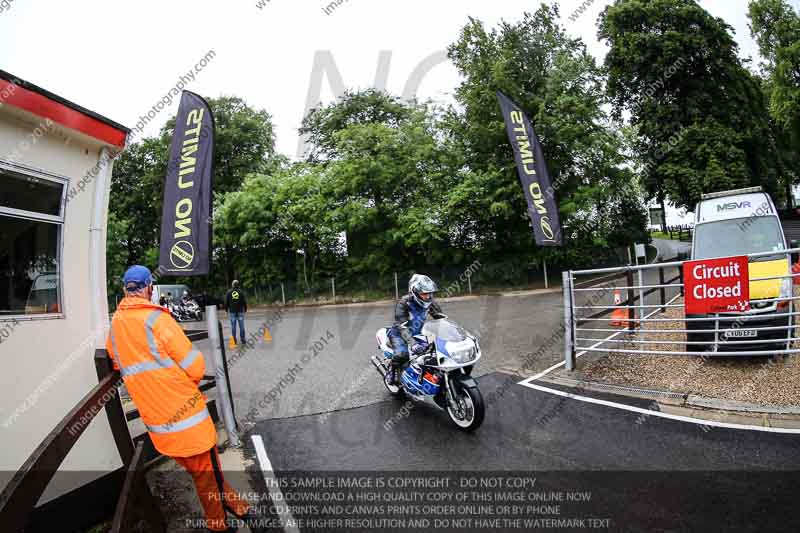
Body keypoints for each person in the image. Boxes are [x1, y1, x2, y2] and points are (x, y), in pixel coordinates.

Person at [106, 266, 252, 532]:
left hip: (158, 426)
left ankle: (239, 508)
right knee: (207, 475)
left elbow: (119, 363)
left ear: (125, 290)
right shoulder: (156, 319)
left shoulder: (115, 325)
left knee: (205, 473)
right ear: (149, 288)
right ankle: (219, 526)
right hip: (187, 420)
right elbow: (195, 366)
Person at [387, 274, 446, 384]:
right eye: (424, 294)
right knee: (402, 355)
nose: (428, 297)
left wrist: (449, 333)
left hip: (419, 333)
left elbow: (441, 319)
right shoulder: (404, 303)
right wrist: (413, 343)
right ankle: (392, 371)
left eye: (430, 293)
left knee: (437, 350)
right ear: (414, 291)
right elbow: (401, 326)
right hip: (399, 334)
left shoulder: (430, 302)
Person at [225, 280, 248, 346]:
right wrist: (245, 309)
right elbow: (244, 301)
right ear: (238, 285)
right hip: (240, 311)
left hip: (232, 312)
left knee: (233, 326)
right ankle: (243, 339)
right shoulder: (241, 292)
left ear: (232, 285)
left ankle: (234, 340)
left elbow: (226, 302)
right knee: (241, 326)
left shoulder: (229, 292)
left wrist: (226, 309)